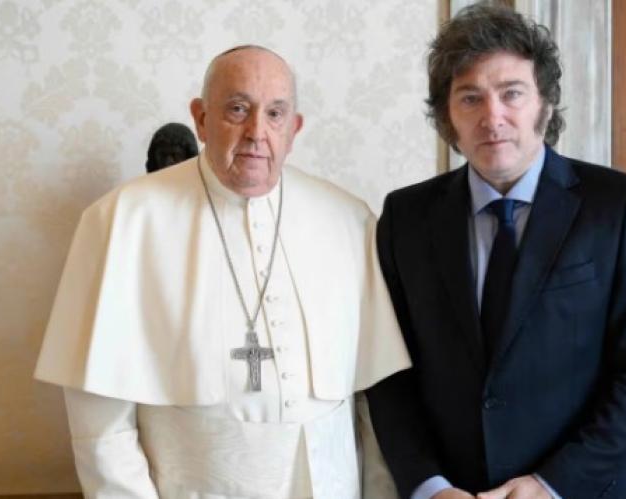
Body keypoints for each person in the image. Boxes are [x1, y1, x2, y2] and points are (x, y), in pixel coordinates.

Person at [34, 45, 409, 498]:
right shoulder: (122, 221)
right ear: (201, 118)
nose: (256, 132)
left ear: (294, 129)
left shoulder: (349, 219)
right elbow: (100, 425)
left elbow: (372, 408)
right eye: (237, 109)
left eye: (275, 114)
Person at [365, 4, 626, 498]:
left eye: (511, 94)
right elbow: (388, 373)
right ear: (448, 117)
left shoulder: (622, 206)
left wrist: (550, 484)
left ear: (546, 104)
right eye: (470, 98)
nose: (493, 117)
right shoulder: (405, 218)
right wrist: (429, 486)